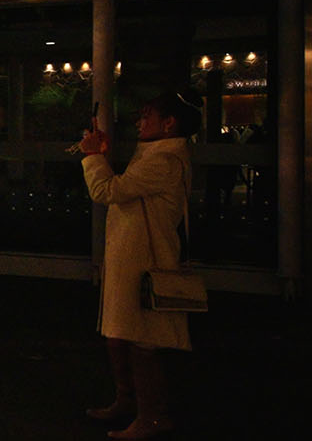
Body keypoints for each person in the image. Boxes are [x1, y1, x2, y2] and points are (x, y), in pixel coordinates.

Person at [78, 91, 201, 440]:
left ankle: (152, 416)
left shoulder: (163, 159)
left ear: (169, 123)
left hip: (145, 266)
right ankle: (128, 402)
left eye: (146, 115)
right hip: (132, 262)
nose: (138, 121)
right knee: (121, 336)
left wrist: (91, 157)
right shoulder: (155, 155)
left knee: (143, 344)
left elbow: (107, 191)